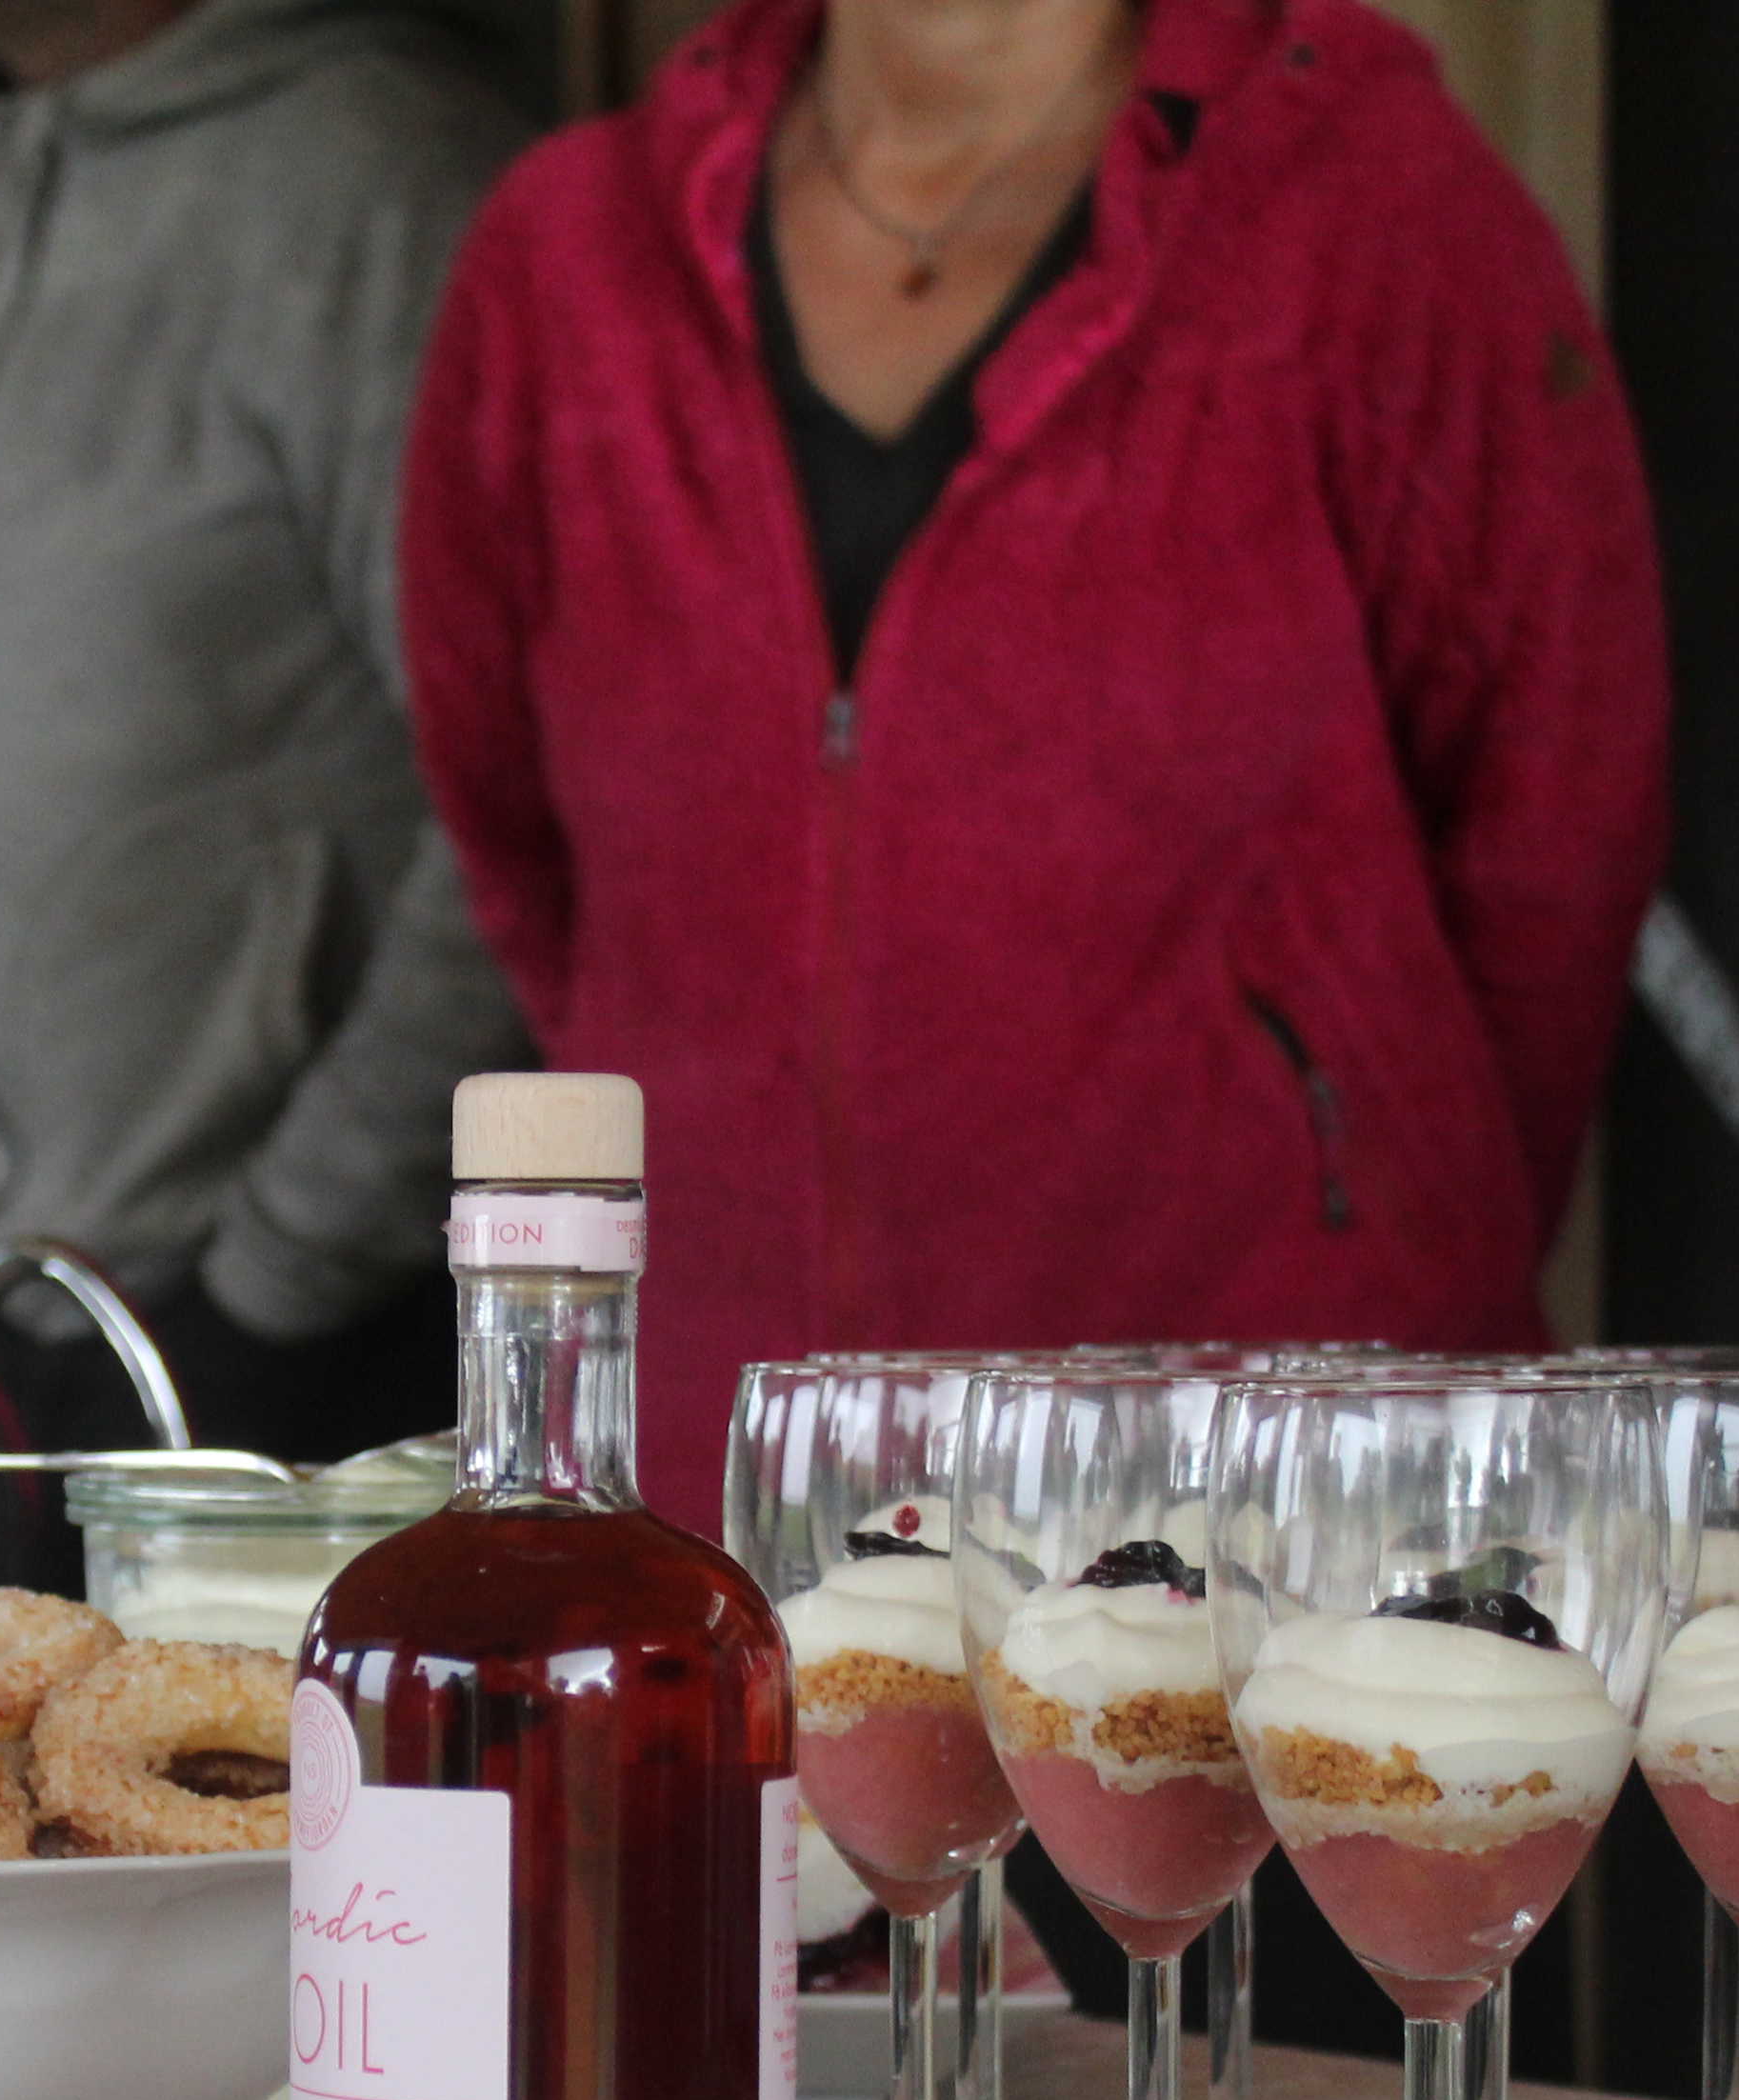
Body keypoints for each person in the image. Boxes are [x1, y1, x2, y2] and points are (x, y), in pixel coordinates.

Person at [402, 0, 1668, 1524]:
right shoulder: (566, 254)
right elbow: (515, 836)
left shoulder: (1373, 202)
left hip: (1275, 1490)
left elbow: (1558, 830)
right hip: (716, 1478)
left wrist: (1374, 1191)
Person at [0, 0, 531, 1461]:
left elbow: (530, 792)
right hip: (23, 1316)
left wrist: (287, 1271)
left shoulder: (381, 184)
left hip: (321, 1346)